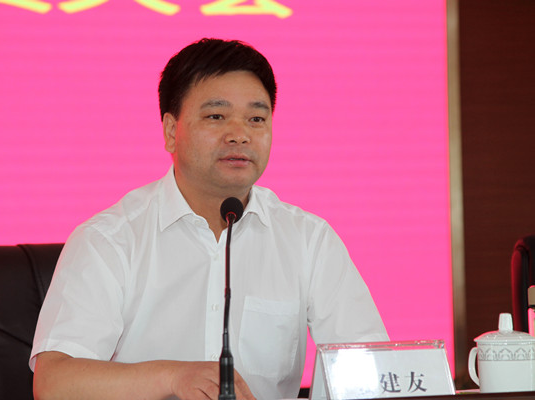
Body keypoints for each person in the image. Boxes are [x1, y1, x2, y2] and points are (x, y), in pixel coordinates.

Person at [30, 38, 388, 400]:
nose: (239, 135)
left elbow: (372, 371)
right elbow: (54, 382)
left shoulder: (309, 240)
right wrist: (173, 377)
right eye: (216, 116)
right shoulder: (110, 239)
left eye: (256, 119)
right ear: (172, 131)